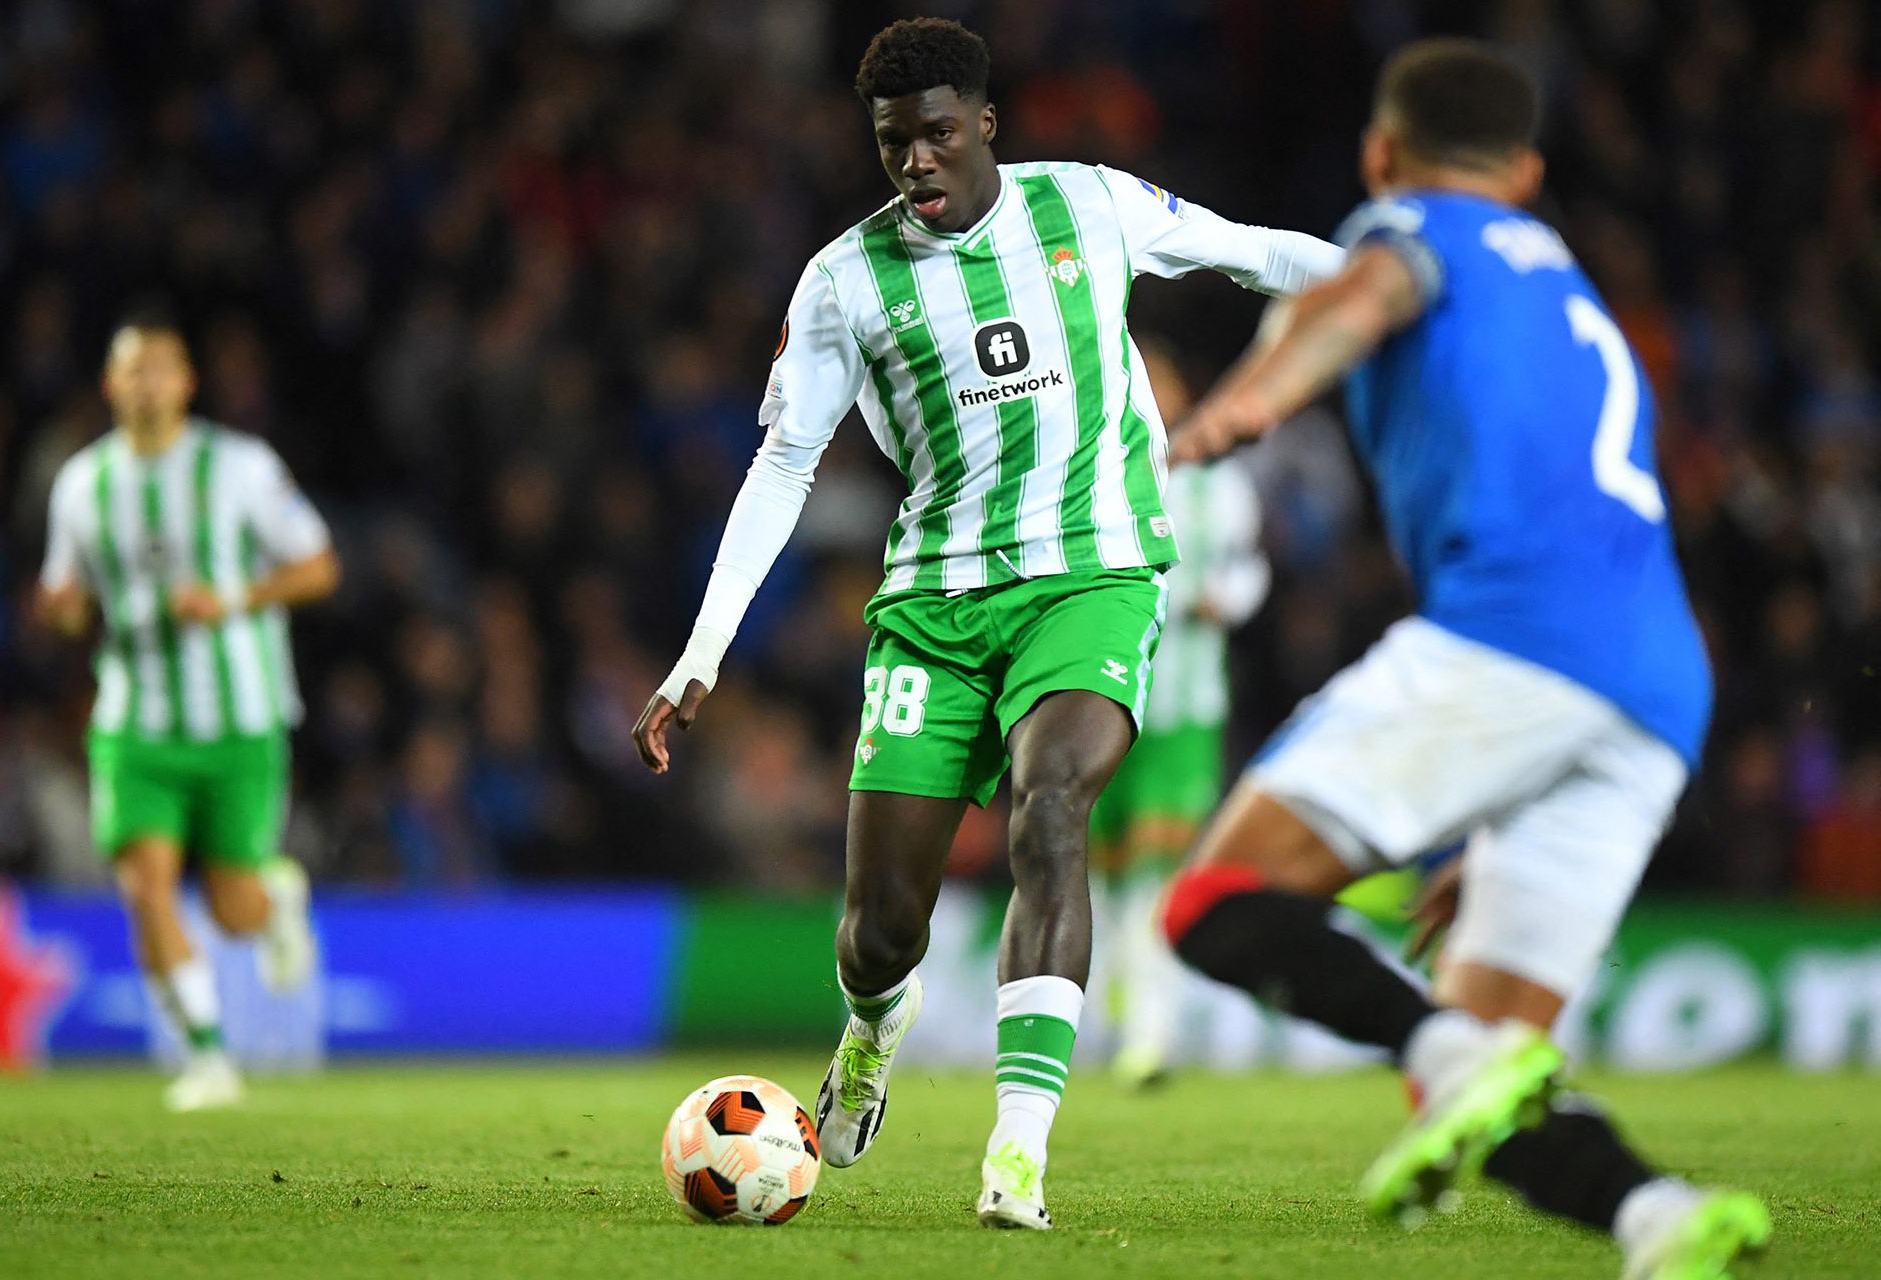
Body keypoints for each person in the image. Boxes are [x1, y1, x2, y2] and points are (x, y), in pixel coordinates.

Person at [631, 17, 1341, 1228]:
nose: (916, 161)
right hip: (936, 606)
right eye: (893, 141)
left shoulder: (1092, 207)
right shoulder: (843, 281)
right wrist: (703, 650)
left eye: (939, 135)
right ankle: (872, 1026)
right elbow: (784, 463)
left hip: (1094, 573)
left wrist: (1409, 276)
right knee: (879, 927)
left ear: (986, 127)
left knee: (1052, 804)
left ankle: (1018, 1150)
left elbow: (1256, 256)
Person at [1164, 39, 1769, 1279]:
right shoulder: (1572, 290)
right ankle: (1660, 1217)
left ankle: (1464, 1060)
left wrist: (1248, 402)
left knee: (1213, 904)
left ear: (1383, 152)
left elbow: (1365, 293)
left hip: (1515, 637)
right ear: (1531, 169)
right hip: (1655, 685)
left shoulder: (1407, 226)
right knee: (1476, 1065)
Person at [36, 320, 339, 1111]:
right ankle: (208, 1058)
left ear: (187, 383)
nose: (147, 384)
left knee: (234, 912)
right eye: (132, 370)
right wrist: (65, 615)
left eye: (162, 369)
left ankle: (276, 901)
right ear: (110, 386)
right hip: (134, 723)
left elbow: (318, 565)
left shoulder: (239, 467)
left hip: (239, 720)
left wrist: (234, 599)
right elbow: (69, 604)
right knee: (147, 887)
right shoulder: (80, 484)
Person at [1088, 341, 1269, 1089]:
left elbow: (1250, 568)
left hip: (1186, 707)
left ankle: (1149, 1035)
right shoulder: (1092, 477)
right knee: (1101, 875)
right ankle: (1107, 1014)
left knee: (1160, 876)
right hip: (1101, 700)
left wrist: (1222, 600)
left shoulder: (1218, 486)